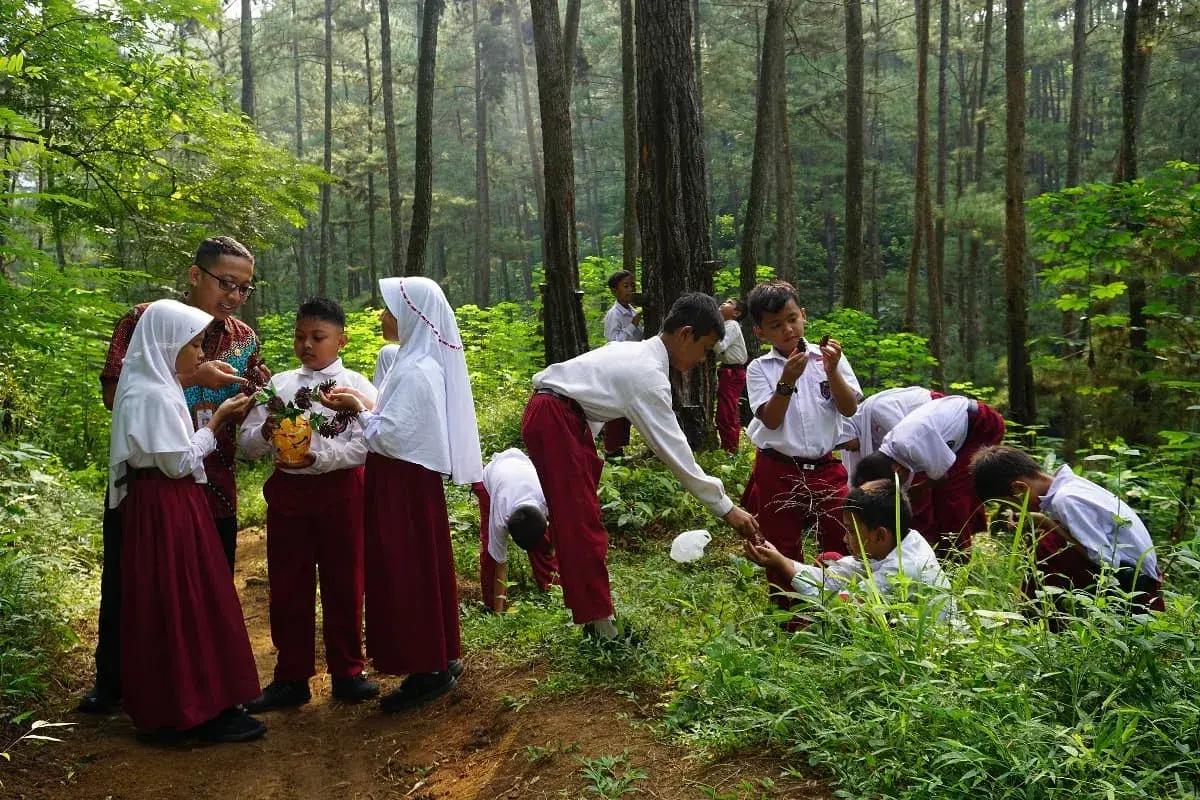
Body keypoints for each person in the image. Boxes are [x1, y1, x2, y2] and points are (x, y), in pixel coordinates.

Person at [80, 235, 264, 715]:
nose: (234, 297)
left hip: (213, 480)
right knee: (130, 578)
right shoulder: (147, 321)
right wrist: (190, 379)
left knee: (209, 584)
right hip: (152, 479)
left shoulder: (243, 337)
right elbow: (116, 394)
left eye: (245, 288)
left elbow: (255, 395)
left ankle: (209, 684)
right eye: (226, 283)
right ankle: (116, 680)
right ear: (194, 276)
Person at [522, 292, 760, 640]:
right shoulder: (647, 375)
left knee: (578, 519)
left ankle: (594, 619)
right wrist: (727, 509)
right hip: (554, 419)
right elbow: (677, 455)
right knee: (580, 525)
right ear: (685, 334)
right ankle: (603, 631)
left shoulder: (637, 354)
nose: (702, 359)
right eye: (705, 348)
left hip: (560, 419)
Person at [320, 277, 481, 712]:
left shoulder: (414, 369)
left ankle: (426, 668)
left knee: (405, 568)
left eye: (389, 308)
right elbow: (398, 424)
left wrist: (356, 408)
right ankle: (438, 653)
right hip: (408, 481)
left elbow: (392, 435)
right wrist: (364, 405)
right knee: (418, 564)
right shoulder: (413, 361)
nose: (381, 315)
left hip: (402, 482)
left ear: (413, 313)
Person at [238, 298, 380, 711]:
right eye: (300, 336)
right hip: (289, 493)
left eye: (318, 337)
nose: (307, 345)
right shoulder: (279, 387)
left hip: (343, 492)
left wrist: (324, 458)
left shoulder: (358, 386)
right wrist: (265, 433)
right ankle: (291, 676)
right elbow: (246, 446)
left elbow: (370, 444)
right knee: (288, 584)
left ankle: (348, 671)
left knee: (346, 581)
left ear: (341, 340)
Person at [743, 280, 861, 608]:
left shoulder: (828, 358)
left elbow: (849, 407)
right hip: (778, 466)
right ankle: (790, 615)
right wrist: (786, 382)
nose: (788, 330)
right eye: (776, 325)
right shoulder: (759, 368)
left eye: (792, 319)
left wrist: (833, 370)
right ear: (761, 332)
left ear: (804, 315)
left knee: (842, 533)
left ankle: (839, 607)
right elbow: (770, 419)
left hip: (826, 464)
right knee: (780, 542)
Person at [970, 445, 1164, 613]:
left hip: (1138, 586)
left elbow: (1106, 560)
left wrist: (1049, 524)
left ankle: (1041, 622)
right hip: (1135, 575)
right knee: (1048, 540)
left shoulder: (1067, 499)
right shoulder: (1070, 486)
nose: (1015, 510)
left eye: (1012, 504)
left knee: (1046, 546)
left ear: (1019, 489)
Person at [744, 480, 951, 617]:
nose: (844, 538)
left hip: (927, 647)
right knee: (830, 559)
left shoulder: (903, 569)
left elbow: (840, 606)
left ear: (880, 534)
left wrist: (782, 565)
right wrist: (780, 559)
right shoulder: (900, 540)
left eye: (851, 531)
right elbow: (835, 578)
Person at [852, 394, 1005, 559]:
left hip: (981, 424)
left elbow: (943, 477)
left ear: (896, 471)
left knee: (952, 497)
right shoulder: (891, 448)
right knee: (928, 499)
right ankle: (931, 548)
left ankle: (957, 558)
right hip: (958, 432)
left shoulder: (911, 445)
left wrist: (918, 489)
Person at [474, 448, 559, 613]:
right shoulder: (499, 519)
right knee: (490, 549)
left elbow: (559, 527)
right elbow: (501, 565)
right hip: (489, 480)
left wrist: (552, 547)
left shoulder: (546, 499)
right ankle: (491, 604)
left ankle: (553, 590)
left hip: (521, 463)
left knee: (544, 544)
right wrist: (499, 614)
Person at [839, 385, 937, 480]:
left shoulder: (878, 410)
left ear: (851, 433)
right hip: (922, 439)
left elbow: (906, 443)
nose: (847, 450)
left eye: (845, 445)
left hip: (934, 412)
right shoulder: (863, 428)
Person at [600, 270, 642, 459]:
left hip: (633, 365)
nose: (630, 289)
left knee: (627, 408)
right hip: (618, 367)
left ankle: (620, 448)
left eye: (632, 285)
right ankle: (611, 450)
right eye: (625, 286)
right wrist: (632, 325)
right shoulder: (614, 314)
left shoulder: (633, 311)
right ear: (614, 290)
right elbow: (612, 342)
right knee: (617, 409)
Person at [713, 299, 749, 453]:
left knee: (726, 412)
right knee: (726, 410)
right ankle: (728, 446)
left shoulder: (732, 325)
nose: (723, 303)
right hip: (727, 371)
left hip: (732, 373)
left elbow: (720, 346)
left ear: (736, 313)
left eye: (729, 302)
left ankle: (730, 449)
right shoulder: (726, 326)